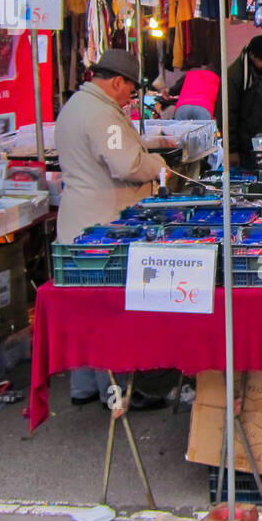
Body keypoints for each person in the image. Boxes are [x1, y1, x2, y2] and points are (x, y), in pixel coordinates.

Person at [55, 49, 168, 410]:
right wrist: (157, 164)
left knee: (87, 307)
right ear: (116, 82)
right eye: (130, 91)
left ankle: (84, 384)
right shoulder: (101, 116)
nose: (130, 98)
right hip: (102, 224)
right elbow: (126, 164)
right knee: (111, 308)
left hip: (79, 219)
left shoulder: (76, 106)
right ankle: (117, 391)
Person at [217, 35, 262, 165]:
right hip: (244, 145)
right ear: (252, 56)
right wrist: (232, 150)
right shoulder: (234, 76)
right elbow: (227, 114)